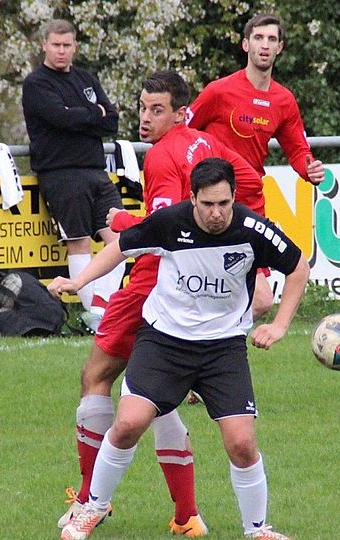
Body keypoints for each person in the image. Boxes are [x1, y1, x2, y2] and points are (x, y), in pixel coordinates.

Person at [54, 69, 267, 538]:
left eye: (157, 110)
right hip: (191, 286)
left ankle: (89, 500)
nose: (145, 119)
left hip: (155, 283)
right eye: (142, 108)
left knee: (97, 377)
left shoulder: (163, 156)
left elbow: (162, 228)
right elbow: (251, 184)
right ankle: (186, 515)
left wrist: (121, 220)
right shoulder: (205, 144)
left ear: (180, 112)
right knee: (155, 397)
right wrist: (256, 264)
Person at [52, 157, 310, 540]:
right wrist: (79, 282)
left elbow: (298, 267)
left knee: (241, 443)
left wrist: (280, 325)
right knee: (128, 424)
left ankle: (258, 530)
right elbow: (121, 247)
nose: (216, 213)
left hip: (223, 349)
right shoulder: (171, 222)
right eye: (208, 204)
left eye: (224, 203)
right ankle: (92, 508)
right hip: (164, 343)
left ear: (234, 197)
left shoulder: (252, 229)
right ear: (193, 199)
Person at [185, 13, 324, 320]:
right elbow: (182, 132)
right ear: (245, 44)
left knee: (260, 301)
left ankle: (212, 341)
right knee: (202, 288)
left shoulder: (283, 100)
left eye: (272, 39)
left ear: (280, 48)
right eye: (259, 38)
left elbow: (298, 150)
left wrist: (309, 169)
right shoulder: (219, 91)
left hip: (249, 203)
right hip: (211, 203)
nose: (265, 45)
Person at [21, 19, 126, 332]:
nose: (61, 51)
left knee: (123, 239)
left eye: (67, 45)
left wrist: (82, 116)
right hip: (61, 174)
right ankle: (96, 318)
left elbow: (112, 121)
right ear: (44, 45)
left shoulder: (85, 78)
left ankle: (100, 310)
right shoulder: (37, 83)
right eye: (56, 45)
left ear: (75, 46)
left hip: (96, 171)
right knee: (79, 243)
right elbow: (60, 119)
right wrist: (94, 114)